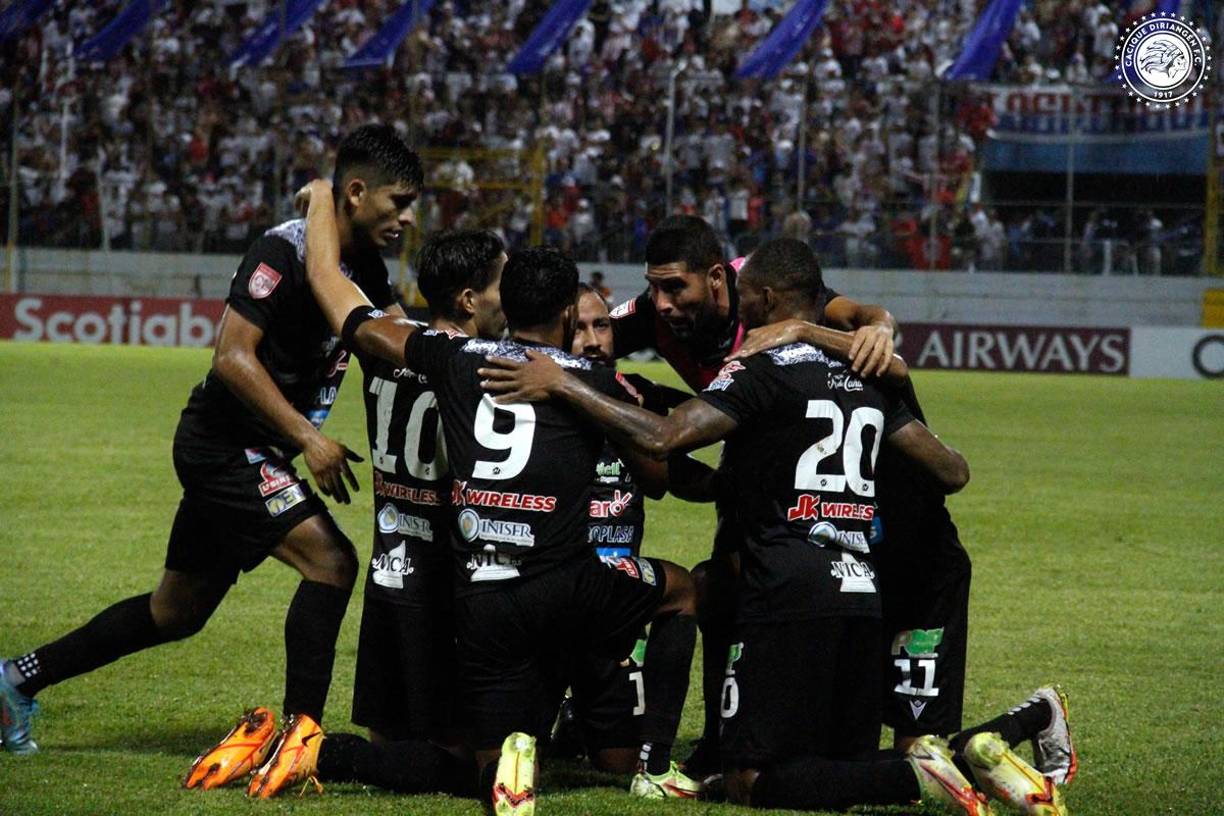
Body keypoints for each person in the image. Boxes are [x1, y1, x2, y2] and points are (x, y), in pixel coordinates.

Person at [477, 238, 1065, 815]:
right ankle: (958, 757)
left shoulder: (758, 369)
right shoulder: (861, 371)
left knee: (750, 780)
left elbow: (663, 438)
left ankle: (911, 776)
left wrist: (560, 384)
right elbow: (953, 469)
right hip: (864, 582)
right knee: (840, 762)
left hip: (791, 584)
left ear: (759, 296)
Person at [0, 126, 418, 778]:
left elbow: (398, 336)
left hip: (249, 450)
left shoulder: (360, 264)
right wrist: (309, 437)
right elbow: (229, 358)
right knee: (331, 564)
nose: (408, 216)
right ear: (357, 192)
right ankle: (300, 745)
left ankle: (16, 679)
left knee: (176, 612)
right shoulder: (281, 253)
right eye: (399, 201)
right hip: (227, 446)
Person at [296, 181, 705, 813]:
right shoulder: (590, 380)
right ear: (568, 318)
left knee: (477, 767)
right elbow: (655, 468)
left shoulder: (456, 358)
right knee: (683, 590)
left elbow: (348, 316)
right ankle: (652, 764)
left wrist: (321, 209)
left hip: (480, 600)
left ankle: (339, 753)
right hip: (567, 584)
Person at [607, 213, 898, 776]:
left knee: (758, 589)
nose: (661, 302)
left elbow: (862, 316)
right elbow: (584, 342)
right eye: (653, 286)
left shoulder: (760, 290)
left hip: (805, 469)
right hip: (742, 450)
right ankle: (725, 737)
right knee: (724, 589)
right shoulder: (650, 316)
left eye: (675, 287)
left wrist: (880, 328)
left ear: (717, 277)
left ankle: (780, 733)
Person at [246, 229, 511, 800]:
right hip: (445, 585)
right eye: (502, 284)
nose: (508, 297)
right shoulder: (477, 365)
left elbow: (325, 279)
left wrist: (321, 208)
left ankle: (307, 747)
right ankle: (319, 753)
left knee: (392, 740)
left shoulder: (385, 345)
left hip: (390, 574)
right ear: (468, 299)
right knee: (465, 768)